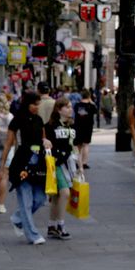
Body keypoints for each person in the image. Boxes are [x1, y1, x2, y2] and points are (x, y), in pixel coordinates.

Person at [3, 89, 49, 245]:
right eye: (33, 104)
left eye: (38, 104)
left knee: (40, 198)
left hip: (38, 162)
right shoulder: (17, 120)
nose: (36, 107)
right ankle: (33, 234)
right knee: (26, 201)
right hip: (22, 162)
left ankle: (17, 218)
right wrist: (3, 164)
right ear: (26, 104)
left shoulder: (39, 120)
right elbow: (9, 142)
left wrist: (46, 142)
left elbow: (43, 138)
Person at [44, 97, 78, 240]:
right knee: (64, 193)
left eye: (70, 106)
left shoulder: (71, 126)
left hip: (68, 163)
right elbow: (45, 142)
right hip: (55, 163)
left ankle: (52, 225)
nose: (70, 109)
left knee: (57, 196)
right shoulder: (50, 126)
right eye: (67, 106)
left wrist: (80, 165)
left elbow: (74, 146)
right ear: (59, 109)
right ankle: (60, 225)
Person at [73, 91, 98, 173]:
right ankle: (84, 162)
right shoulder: (91, 105)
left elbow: (76, 113)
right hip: (88, 127)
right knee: (86, 144)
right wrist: (91, 101)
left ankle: (78, 162)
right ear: (89, 96)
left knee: (78, 146)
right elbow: (96, 111)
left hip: (78, 126)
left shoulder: (77, 105)